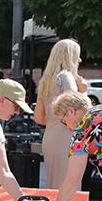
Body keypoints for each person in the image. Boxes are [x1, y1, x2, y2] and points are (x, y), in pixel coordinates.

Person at [34, 39, 87, 190]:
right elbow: (77, 107)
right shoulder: (66, 77)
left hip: (50, 137)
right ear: (69, 57)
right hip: (66, 137)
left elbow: (38, 118)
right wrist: (84, 91)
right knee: (69, 187)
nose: (80, 60)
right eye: (77, 56)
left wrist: (56, 121)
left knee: (54, 187)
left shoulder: (46, 81)